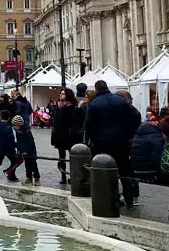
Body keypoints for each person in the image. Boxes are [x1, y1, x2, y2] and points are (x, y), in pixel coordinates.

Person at [84, 79, 141, 207]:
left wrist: (94, 139)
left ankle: (111, 197)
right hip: (121, 141)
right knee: (124, 170)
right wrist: (129, 133)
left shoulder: (94, 104)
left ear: (97, 90)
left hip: (102, 143)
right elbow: (136, 116)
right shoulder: (120, 100)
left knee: (105, 170)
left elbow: (88, 126)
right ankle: (129, 198)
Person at [51, 87, 81, 185]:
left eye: (63, 94)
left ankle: (73, 177)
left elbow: (75, 122)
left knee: (72, 157)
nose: (61, 95)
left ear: (68, 95)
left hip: (69, 136)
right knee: (61, 157)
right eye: (60, 94)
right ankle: (63, 176)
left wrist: (71, 131)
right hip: (59, 135)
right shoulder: (58, 106)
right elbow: (55, 121)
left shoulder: (73, 107)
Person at [0, 109, 19, 182]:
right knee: (15, 161)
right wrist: (14, 146)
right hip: (8, 148)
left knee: (0, 158)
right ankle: (10, 174)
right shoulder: (8, 127)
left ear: (0, 117)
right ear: (9, 118)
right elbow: (10, 138)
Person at [10, 115, 40, 185]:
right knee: (27, 165)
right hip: (23, 151)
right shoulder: (18, 131)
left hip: (30, 151)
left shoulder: (26, 131)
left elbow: (30, 143)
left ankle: (37, 179)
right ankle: (29, 178)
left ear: (19, 125)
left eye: (14, 125)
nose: (13, 127)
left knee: (33, 165)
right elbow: (19, 141)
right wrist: (19, 149)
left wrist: (26, 151)